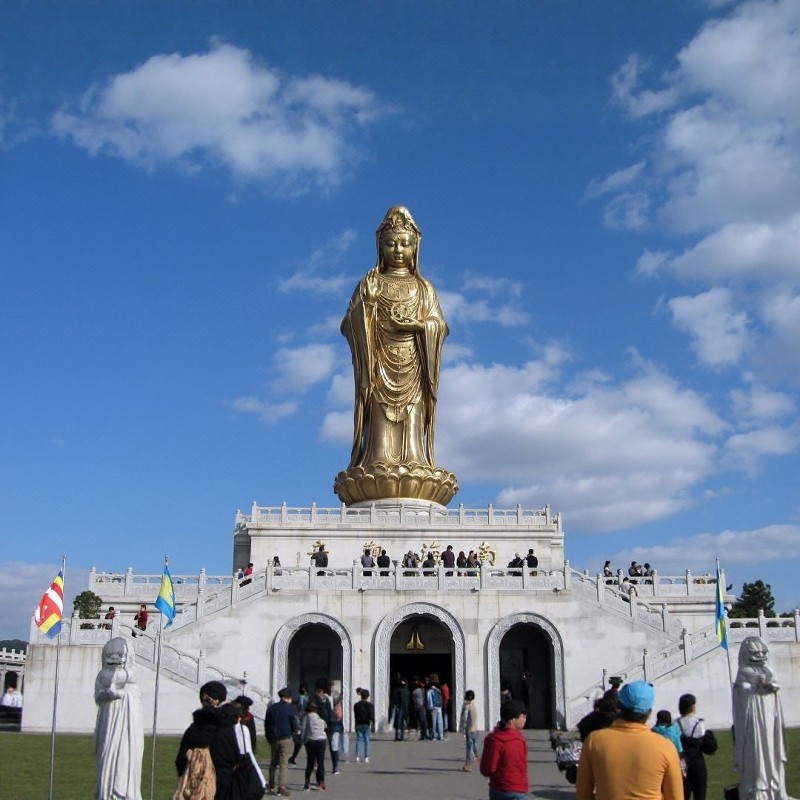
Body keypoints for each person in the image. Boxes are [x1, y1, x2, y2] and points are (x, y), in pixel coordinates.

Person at [336, 206, 452, 502]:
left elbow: (439, 326)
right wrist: (369, 306)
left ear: (415, 247)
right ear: (380, 246)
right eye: (391, 243)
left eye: (405, 243)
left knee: (413, 419)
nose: (398, 249)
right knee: (379, 422)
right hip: (378, 365)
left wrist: (418, 324)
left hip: (414, 362)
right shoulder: (370, 284)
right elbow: (348, 324)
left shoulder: (423, 288)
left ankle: (415, 461)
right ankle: (376, 462)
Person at [576, 681, 682, 800]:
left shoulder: (594, 741)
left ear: (619, 707)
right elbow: (675, 796)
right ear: (649, 713)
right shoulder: (665, 747)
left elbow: (583, 793)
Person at [732, 636, 790, 800]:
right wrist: (751, 687)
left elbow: (774, 684)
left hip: (769, 713)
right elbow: (742, 689)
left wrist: (767, 685)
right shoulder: (744, 671)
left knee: (771, 748)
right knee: (756, 748)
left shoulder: (768, 669)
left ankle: (774, 788)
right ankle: (758, 788)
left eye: (761, 653)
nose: (759, 656)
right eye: (754, 653)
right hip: (753, 715)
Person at [94, 637, 143, 800]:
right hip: (108, 723)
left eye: (119, 655)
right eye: (110, 655)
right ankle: (106, 793)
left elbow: (135, 695)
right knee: (106, 756)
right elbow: (98, 697)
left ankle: (123, 793)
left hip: (127, 727)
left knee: (125, 758)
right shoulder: (102, 676)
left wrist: (120, 694)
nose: (114, 659)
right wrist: (107, 694)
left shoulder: (131, 676)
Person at [175, 680, 237, 799]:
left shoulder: (194, 729)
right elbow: (235, 756)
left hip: (197, 785)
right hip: (224, 782)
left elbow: (181, 760)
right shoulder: (228, 727)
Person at [480, 699, 529, 800]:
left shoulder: (493, 739)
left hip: (498, 789)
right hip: (516, 790)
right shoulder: (518, 740)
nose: (525, 719)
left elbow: (487, 769)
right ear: (512, 720)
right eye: (522, 716)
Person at [677, 693, 714, 800]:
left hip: (682, 761)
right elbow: (707, 742)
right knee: (700, 793)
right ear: (693, 706)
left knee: (684, 794)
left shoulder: (676, 723)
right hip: (698, 760)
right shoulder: (700, 722)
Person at [264, 687, 299, 797]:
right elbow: (294, 723)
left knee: (273, 762)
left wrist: (268, 737)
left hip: (273, 738)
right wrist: (296, 730)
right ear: (288, 698)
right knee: (284, 763)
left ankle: (271, 785)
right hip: (285, 738)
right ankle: (281, 787)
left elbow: (267, 724)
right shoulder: (290, 709)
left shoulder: (272, 708)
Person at [301, 701, 327, 792]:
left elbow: (303, 729)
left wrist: (303, 740)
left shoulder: (306, 717)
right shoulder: (318, 716)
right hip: (322, 739)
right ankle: (321, 783)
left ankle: (307, 784)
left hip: (312, 740)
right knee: (320, 762)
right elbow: (325, 726)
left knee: (310, 763)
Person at [459, 689, 480, 772]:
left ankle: (468, 764)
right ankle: (478, 756)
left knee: (469, 748)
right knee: (475, 744)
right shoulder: (473, 705)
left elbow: (464, 719)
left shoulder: (466, 706)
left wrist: (463, 730)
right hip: (475, 728)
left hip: (469, 729)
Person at [353, 689, 374, 763]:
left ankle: (357, 756)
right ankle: (366, 757)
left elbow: (355, 715)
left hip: (358, 723)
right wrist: (373, 723)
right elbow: (371, 716)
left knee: (359, 740)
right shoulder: (370, 705)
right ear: (367, 696)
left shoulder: (356, 705)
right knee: (367, 740)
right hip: (366, 724)